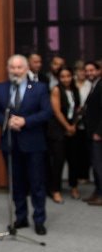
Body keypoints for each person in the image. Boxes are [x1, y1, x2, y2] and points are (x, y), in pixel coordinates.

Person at [0, 54, 52, 235]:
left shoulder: (39, 88)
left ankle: (39, 220)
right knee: (16, 183)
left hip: (34, 144)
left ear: (26, 69)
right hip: (10, 144)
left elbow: (47, 113)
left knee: (37, 183)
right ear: (8, 69)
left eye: (19, 68)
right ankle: (21, 217)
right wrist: (6, 121)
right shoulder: (1, 88)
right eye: (12, 68)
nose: (16, 71)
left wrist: (26, 121)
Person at [46, 66, 83, 202]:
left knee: (74, 160)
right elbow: (57, 112)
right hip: (58, 131)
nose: (66, 79)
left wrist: (73, 126)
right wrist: (67, 126)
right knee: (58, 161)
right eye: (63, 76)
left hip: (72, 129)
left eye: (68, 76)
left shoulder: (75, 90)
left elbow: (78, 109)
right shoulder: (56, 90)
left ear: (72, 76)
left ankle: (74, 187)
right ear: (58, 78)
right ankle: (55, 190)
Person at [82, 61, 102, 205]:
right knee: (95, 165)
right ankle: (97, 192)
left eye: (92, 70)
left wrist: (99, 132)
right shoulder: (94, 85)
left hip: (98, 133)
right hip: (90, 131)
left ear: (98, 70)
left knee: (98, 164)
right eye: (87, 71)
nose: (89, 73)